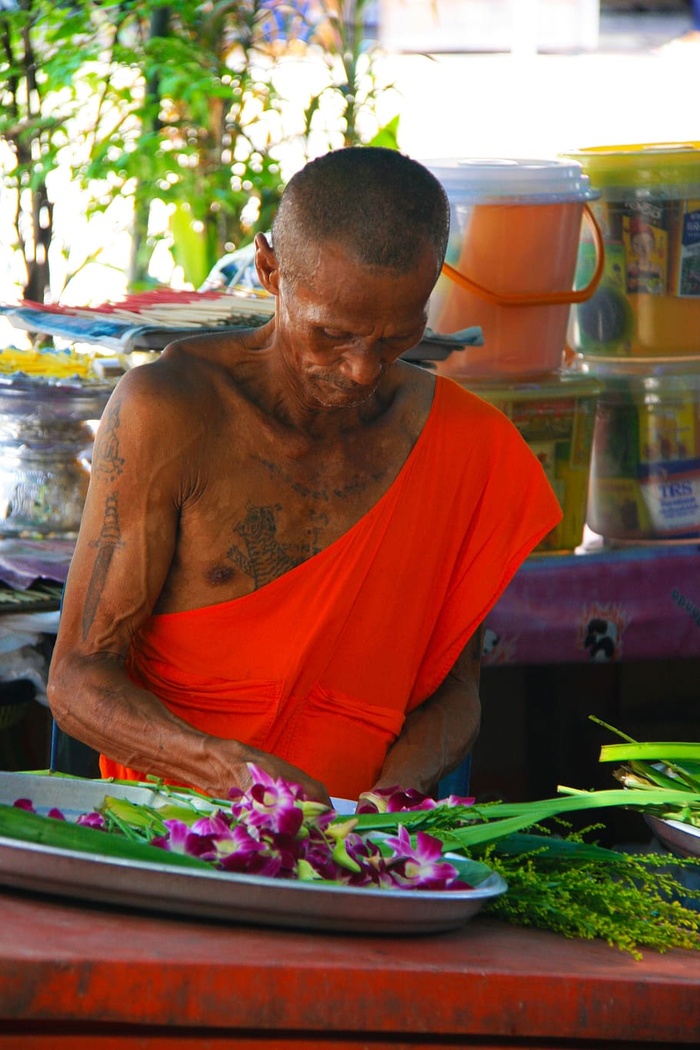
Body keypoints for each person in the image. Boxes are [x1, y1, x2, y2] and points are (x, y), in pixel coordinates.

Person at [47, 147, 562, 806]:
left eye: (395, 339)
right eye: (333, 335)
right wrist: (223, 771)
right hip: (175, 834)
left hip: (355, 849)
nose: (361, 370)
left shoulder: (467, 445)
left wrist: (395, 795)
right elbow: (77, 679)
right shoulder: (172, 412)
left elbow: (455, 692)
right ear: (270, 269)